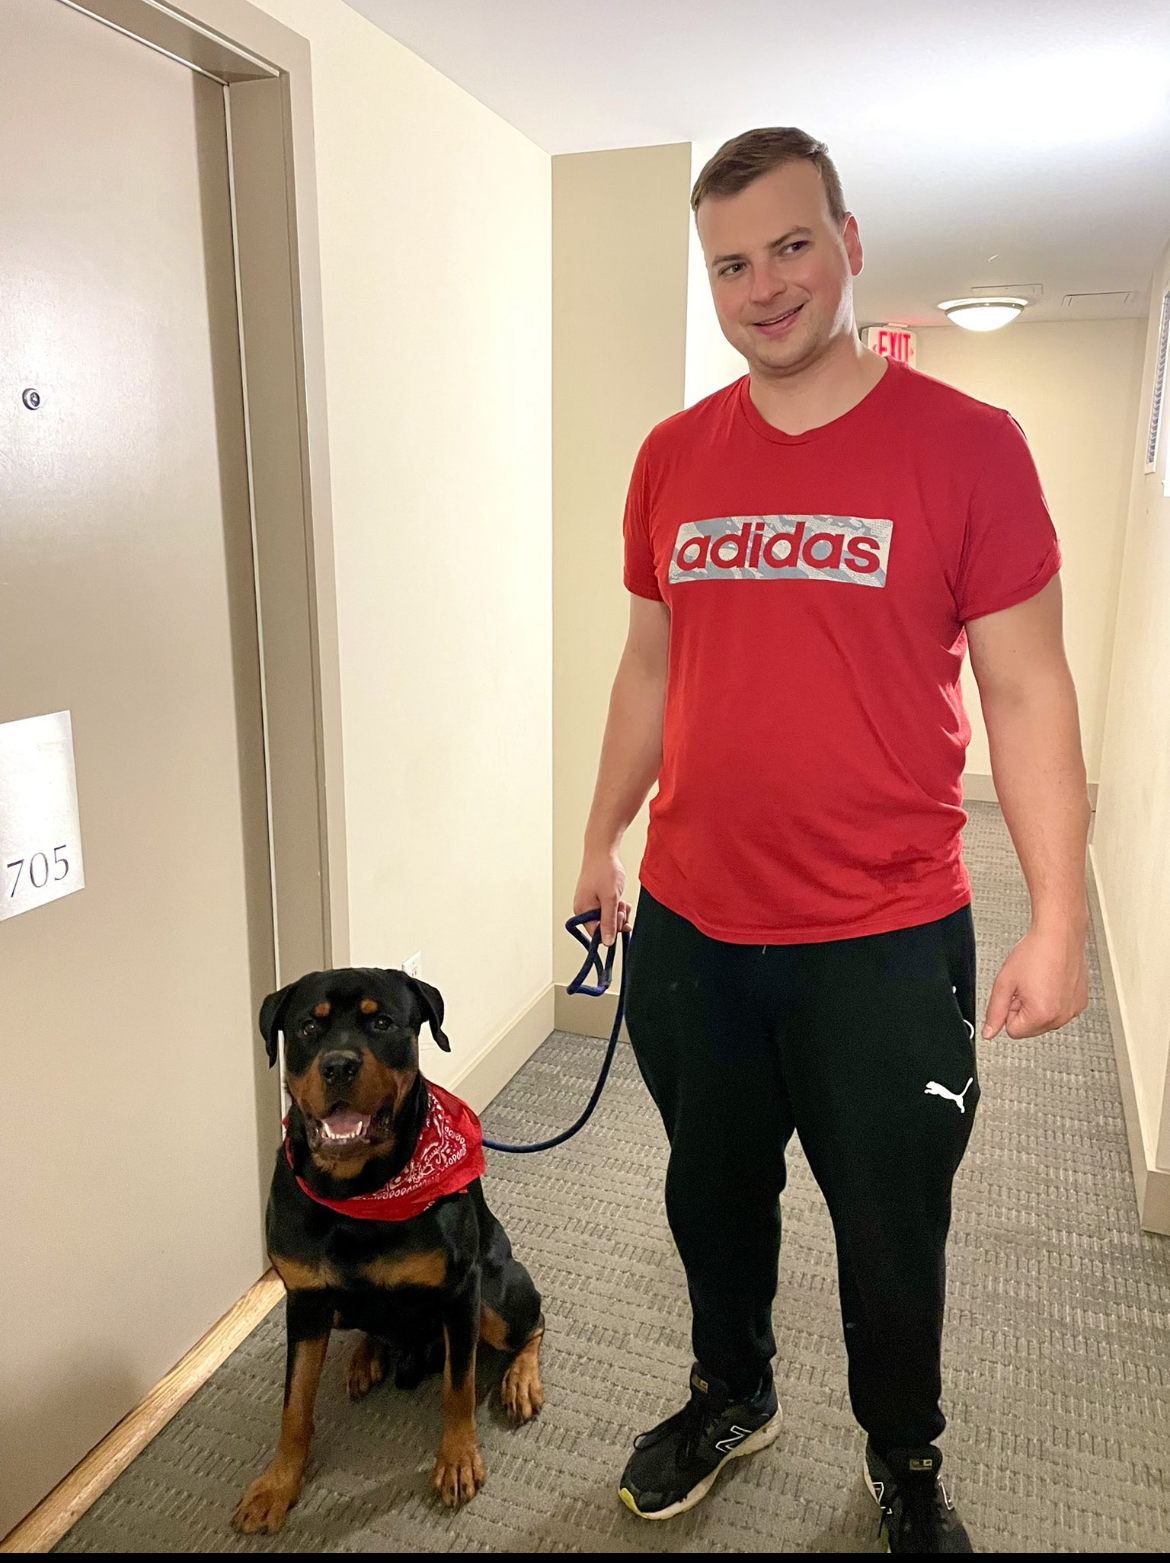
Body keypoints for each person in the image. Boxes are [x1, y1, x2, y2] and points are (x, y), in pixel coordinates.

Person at [572, 127, 1091, 1554]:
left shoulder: (968, 446)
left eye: (791, 246)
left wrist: (1057, 917)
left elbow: (1028, 688)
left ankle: (904, 1452)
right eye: (730, 264)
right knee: (710, 1196)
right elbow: (647, 666)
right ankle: (730, 1393)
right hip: (693, 926)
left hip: (884, 937)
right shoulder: (671, 457)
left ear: (849, 244)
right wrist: (599, 840)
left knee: (889, 1224)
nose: (764, 287)